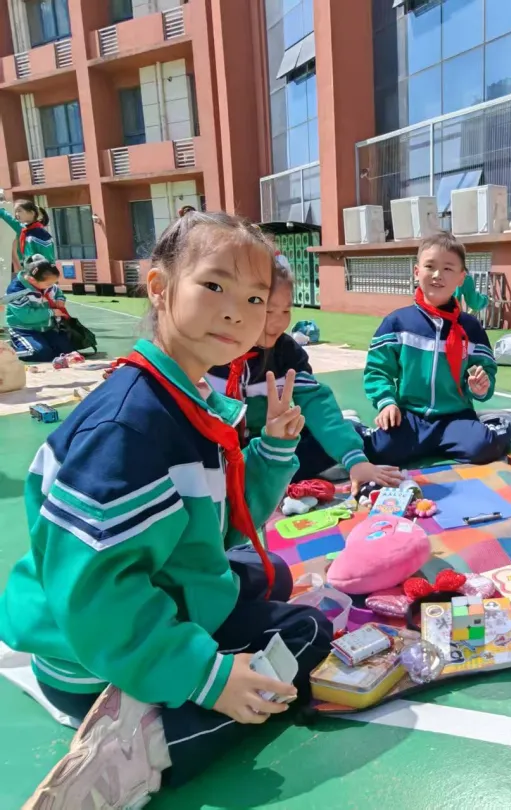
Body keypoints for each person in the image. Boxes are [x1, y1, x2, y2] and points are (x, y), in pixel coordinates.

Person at [0, 211, 334, 809]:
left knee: (274, 576)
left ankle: (170, 686)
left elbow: (228, 522)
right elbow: (99, 594)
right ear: (159, 287)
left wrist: (276, 447)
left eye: (255, 297)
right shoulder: (129, 427)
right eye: (214, 285)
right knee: (306, 631)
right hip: (97, 654)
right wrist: (210, 677)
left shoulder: (189, 396)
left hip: (130, 612)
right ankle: (144, 749)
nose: (237, 311)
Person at [207, 257, 403, 492]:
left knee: (323, 444)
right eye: (269, 310)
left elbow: (314, 403)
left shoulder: (287, 352)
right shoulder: (211, 350)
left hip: (269, 446)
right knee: (224, 478)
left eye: (286, 310)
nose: (278, 322)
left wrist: (355, 461)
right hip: (221, 451)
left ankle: (348, 433)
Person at [362, 231, 511, 468]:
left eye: (448, 268)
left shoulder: (471, 328)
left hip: (455, 416)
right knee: (380, 451)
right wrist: (386, 402)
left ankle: (495, 422)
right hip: (411, 415)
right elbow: (378, 370)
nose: (437, 275)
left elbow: (486, 371)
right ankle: (359, 427)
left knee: (483, 447)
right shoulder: (397, 323)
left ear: (462, 278)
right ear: (416, 271)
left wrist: (481, 387)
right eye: (430, 266)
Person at [4, 254, 75, 362]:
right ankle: (10, 350)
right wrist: (51, 312)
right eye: (49, 284)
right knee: (40, 353)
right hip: (24, 329)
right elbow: (26, 317)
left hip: (46, 328)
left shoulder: (45, 283)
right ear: (32, 280)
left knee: (67, 351)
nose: (52, 285)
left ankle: (39, 343)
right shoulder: (16, 291)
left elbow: (57, 291)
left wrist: (60, 299)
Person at [1, 198, 55, 272]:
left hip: (40, 275)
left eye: (19, 211)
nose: (16, 214)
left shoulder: (41, 235)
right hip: (28, 272)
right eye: (15, 211)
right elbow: (8, 218)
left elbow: (48, 259)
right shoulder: (24, 229)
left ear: (32, 213)